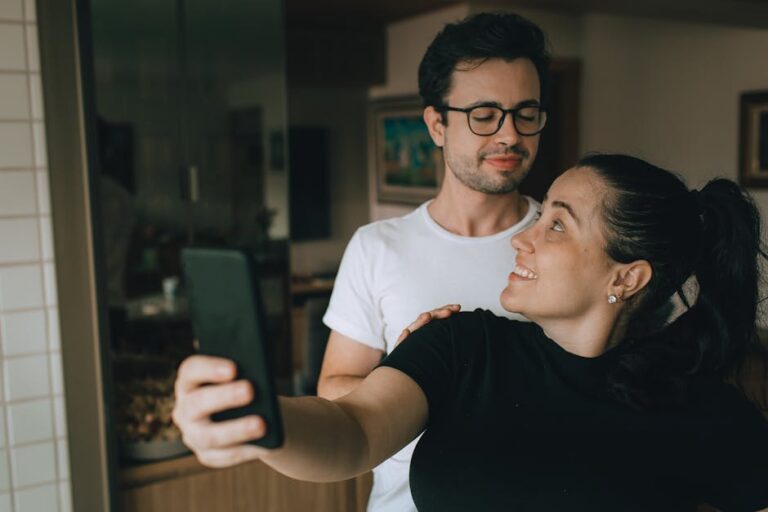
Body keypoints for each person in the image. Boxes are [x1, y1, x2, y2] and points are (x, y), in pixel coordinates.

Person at [173, 154, 768, 511]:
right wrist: (263, 421)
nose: (523, 237)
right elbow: (352, 433)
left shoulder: (694, 403)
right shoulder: (462, 345)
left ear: (627, 276)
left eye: (557, 225)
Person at [317, 12, 549, 510]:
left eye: (525, 113)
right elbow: (335, 388)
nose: (510, 136)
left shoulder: (568, 241)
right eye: (485, 115)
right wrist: (409, 372)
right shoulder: (377, 246)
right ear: (436, 124)